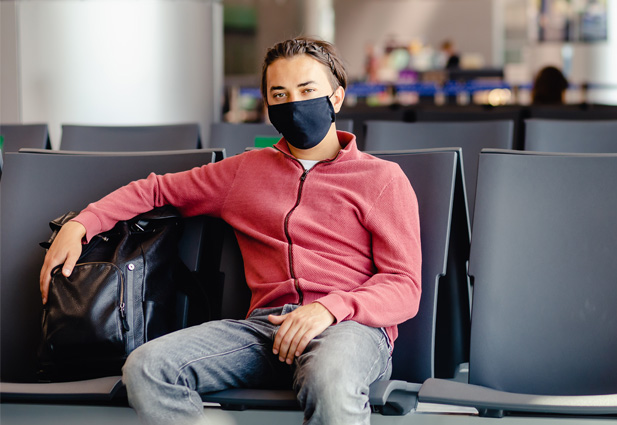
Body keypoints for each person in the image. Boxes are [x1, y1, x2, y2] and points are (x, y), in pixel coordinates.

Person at [39, 36, 422, 425]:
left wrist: (330, 308)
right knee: (147, 368)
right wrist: (82, 224)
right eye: (280, 94)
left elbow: (405, 285)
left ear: (336, 98)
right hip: (265, 330)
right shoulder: (243, 172)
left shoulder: (382, 179)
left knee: (330, 378)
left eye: (307, 90)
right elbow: (156, 189)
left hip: (348, 329)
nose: (294, 103)